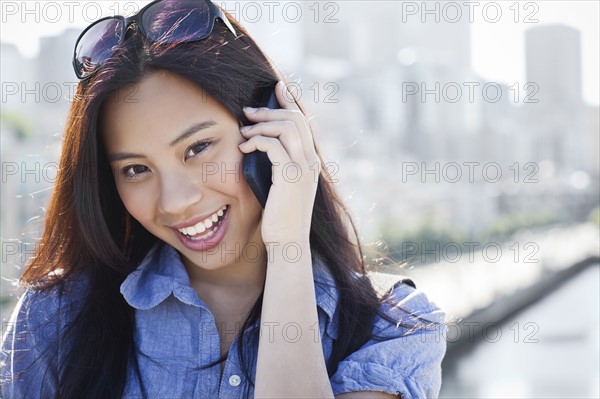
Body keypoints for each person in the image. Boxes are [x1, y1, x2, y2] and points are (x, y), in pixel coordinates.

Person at [0, 0, 447, 398]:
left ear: (271, 127)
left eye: (198, 148)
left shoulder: (395, 326)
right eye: (135, 169)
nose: (175, 202)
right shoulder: (56, 319)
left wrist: (287, 244)